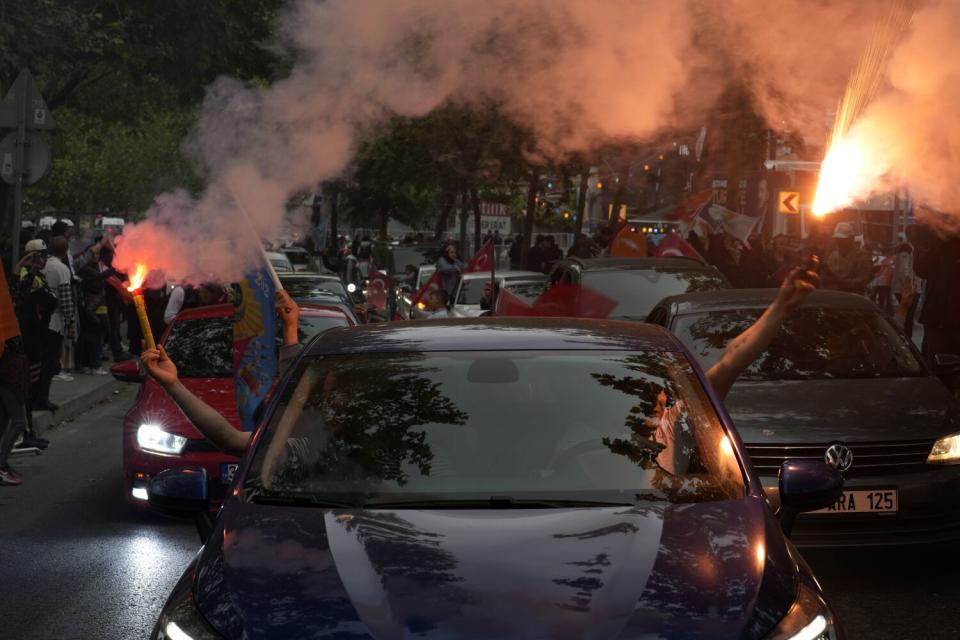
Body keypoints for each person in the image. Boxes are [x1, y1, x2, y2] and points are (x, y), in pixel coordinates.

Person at [141, 264, 819, 467]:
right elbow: (238, 442)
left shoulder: (652, 420)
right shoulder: (353, 445)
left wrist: (781, 310)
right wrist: (173, 385)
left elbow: (723, 365)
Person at [911, 221, 960, 365]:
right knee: (934, 368)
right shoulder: (940, 245)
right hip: (937, 321)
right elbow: (921, 269)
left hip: (948, 322)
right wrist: (924, 241)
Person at [36, 236, 75, 409]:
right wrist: (71, 322)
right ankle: (42, 398)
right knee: (49, 363)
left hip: (36, 321)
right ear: (66, 251)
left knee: (38, 362)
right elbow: (66, 301)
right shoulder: (62, 269)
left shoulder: (42, 266)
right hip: (54, 322)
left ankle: (35, 397)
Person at [0, 338, 31, 485]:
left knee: (4, 421)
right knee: (18, 422)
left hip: (11, 372)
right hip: (10, 374)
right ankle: (1, 465)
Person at [821, 222, 873, 294]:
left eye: (843, 240)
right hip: (833, 297)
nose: (840, 242)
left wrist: (837, 281)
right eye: (838, 239)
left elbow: (862, 281)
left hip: (854, 298)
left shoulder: (862, 257)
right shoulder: (833, 256)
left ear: (851, 239)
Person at [163, 281, 228, 325]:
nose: (212, 297)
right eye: (211, 291)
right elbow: (168, 318)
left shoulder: (213, 301)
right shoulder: (180, 292)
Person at [892, 241, 919, 339]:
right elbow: (903, 271)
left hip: (901, 289)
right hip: (905, 290)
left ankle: (904, 337)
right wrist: (908, 287)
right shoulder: (905, 255)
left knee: (905, 316)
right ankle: (907, 338)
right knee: (908, 318)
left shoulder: (898, 256)